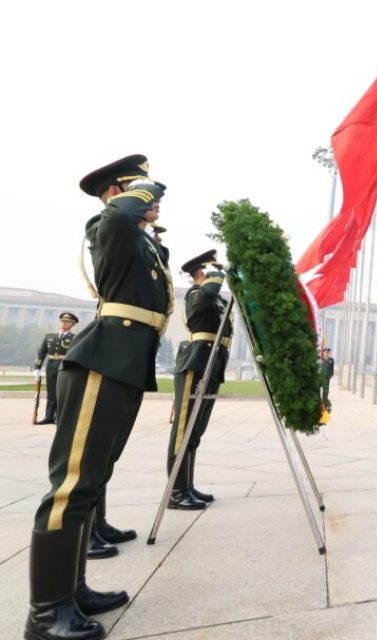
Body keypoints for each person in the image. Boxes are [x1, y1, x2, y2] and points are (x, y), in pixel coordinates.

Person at [26, 155, 170, 640]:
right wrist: (149, 188)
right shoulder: (106, 224)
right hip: (101, 361)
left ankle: (74, 589)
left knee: (93, 479)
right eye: (141, 191)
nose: (153, 203)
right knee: (72, 484)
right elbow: (117, 216)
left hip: (125, 363)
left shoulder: (142, 243)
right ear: (119, 191)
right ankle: (46, 614)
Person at [167, 250, 233, 511]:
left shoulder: (213, 300)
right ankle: (176, 491)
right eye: (210, 271)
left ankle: (187, 486)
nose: (216, 277)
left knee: (196, 429)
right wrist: (218, 275)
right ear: (200, 274)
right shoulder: (196, 294)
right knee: (184, 428)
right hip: (196, 363)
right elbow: (208, 293)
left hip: (212, 362)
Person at [33, 312, 80, 425]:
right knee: (51, 393)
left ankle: (59, 417)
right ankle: (49, 416)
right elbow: (41, 353)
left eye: (67, 322)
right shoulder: (49, 336)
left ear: (72, 324)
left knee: (62, 393)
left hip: (66, 367)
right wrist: (37, 368)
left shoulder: (74, 338)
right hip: (51, 366)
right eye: (62, 321)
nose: (64, 323)